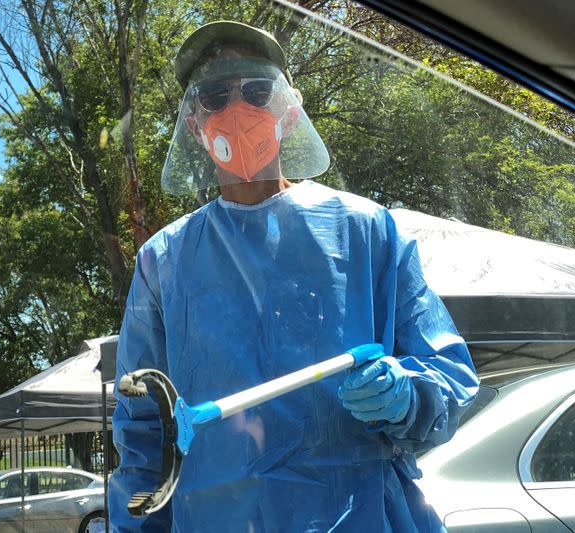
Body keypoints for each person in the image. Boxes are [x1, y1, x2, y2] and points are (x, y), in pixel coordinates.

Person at [110, 20, 479, 532]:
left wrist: (408, 396)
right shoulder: (163, 260)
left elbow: (451, 377)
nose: (236, 110)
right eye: (215, 96)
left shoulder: (366, 231)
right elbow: (143, 433)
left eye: (257, 91)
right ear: (194, 125)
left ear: (287, 111)